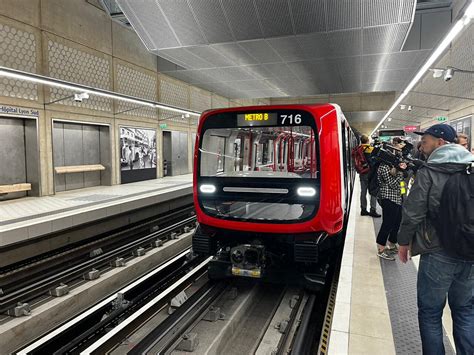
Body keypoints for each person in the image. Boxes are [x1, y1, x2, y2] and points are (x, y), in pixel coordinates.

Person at [397, 124, 474, 355]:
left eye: (427, 141)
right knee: (465, 311)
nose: (422, 145)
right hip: (470, 251)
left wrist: (403, 242)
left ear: (441, 143)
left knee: (430, 313)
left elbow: (413, 212)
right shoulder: (471, 167)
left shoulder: (429, 171)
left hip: (438, 251)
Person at [375, 150, 407, 260]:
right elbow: (392, 184)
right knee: (387, 224)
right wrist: (400, 172)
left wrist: (403, 194)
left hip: (397, 198)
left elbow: (401, 184)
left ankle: (392, 245)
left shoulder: (391, 166)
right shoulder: (383, 167)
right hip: (388, 199)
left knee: (397, 222)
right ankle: (381, 249)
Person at [355, 135, 381, 217]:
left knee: (363, 191)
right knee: (373, 191)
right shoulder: (371, 149)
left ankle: (363, 209)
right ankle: (373, 210)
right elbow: (376, 161)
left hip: (362, 173)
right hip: (371, 173)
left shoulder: (357, 149)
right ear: (367, 141)